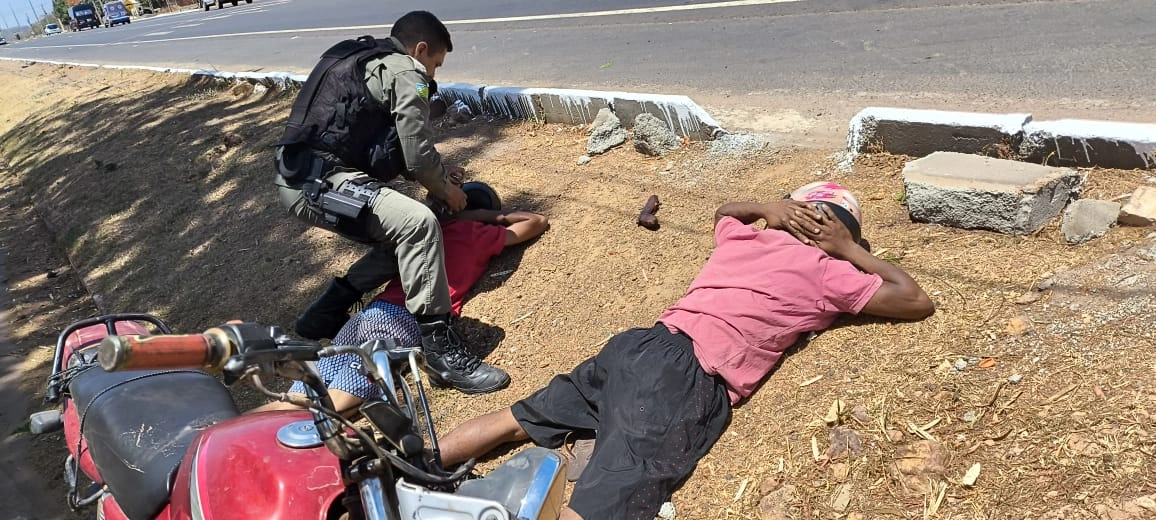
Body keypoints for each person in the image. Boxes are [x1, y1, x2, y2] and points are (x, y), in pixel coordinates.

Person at [435, 182, 936, 520]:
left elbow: (726, 212)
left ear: (787, 214)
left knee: (521, 416)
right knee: (614, 489)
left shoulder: (743, 238)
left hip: (639, 345)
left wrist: (766, 208)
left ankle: (414, 465)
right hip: (687, 376)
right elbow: (916, 301)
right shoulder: (831, 271)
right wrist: (849, 249)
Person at [272, 11, 503, 393]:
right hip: (320, 181)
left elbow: (396, 144)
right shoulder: (405, 72)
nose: (432, 76)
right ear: (421, 49)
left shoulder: (363, 57)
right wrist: (447, 191)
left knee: (401, 236)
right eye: (435, 64)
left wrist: (440, 174)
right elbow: (415, 155)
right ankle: (441, 355)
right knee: (418, 223)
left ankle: (324, 312)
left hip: (301, 177)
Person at [254, 203, 550, 413]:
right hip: (403, 320)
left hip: (370, 313)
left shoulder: (416, 230)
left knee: (308, 385)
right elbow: (537, 220)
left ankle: (231, 432)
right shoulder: (476, 234)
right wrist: (489, 215)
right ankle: (306, 428)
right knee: (345, 395)